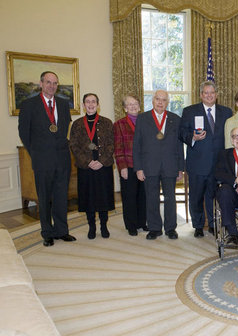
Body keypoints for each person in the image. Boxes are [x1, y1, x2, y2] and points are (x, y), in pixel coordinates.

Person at [18, 71, 76, 247]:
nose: (52, 86)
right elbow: (24, 133)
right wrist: (35, 152)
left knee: (60, 197)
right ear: (41, 83)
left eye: (55, 83)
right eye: (48, 82)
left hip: (62, 159)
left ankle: (61, 231)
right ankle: (47, 233)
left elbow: (64, 129)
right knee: (44, 198)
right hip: (42, 159)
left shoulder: (64, 104)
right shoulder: (29, 105)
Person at [180, 81, 232, 238]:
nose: (209, 95)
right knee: (196, 196)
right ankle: (198, 225)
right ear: (201, 95)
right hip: (197, 162)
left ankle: (213, 223)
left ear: (216, 95)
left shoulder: (227, 112)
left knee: (213, 195)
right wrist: (193, 137)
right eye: (206, 93)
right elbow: (181, 133)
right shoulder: (189, 111)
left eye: (212, 93)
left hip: (219, 164)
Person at [133, 90, 185, 240]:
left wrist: (180, 167)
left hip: (170, 165)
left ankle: (170, 228)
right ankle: (155, 228)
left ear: (167, 102)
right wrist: (139, 168)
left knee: (170, 198)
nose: (160, 102)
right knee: (151, 198)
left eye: (163, 100)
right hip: (149, 166)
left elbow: (179, 145)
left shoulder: (175, 119)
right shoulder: (142, 118)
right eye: (157, 99)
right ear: (152, 100)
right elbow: (137, 145)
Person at [70, 93, 115, 239]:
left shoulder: (107, 123)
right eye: (87, 102)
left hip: (104, 167)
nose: (90, 104)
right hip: (86, 167)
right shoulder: (77, 124)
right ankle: (91, 226)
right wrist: (88, 162)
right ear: (83, 105)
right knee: (88, 199)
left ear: (98, 104)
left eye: (93, 102)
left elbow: (111, 144)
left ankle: (103, 226)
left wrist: (101, 161)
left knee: (103, 198)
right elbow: (74, 146)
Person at [114, 94, 147, 236]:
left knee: (143, 196)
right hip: (128, 165)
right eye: (129, 104)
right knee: (129, 196)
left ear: (139, 106)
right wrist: (122, 167)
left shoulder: (146, 122)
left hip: (144, 166)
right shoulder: (119, 124)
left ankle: (142, 222)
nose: (133, 106)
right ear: (125, 108)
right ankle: (131, 225)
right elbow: (118, 148)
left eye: (135, 104)